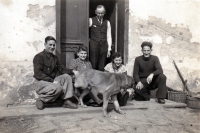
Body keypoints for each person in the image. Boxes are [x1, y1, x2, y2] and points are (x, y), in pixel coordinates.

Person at [33, 36, 78, 110]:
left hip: (51, 82)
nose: (52, 47)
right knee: (58, 88)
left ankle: (66, 100)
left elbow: (62, 69)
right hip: (40, 82)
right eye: (50, 45)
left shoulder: (55, 58)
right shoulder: (39, 57)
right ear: (45, 44)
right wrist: (52, 81)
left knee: (66, 76)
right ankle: (41, 99)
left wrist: (73, 71)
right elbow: (38, 73)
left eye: (54, 45)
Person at [89, 5, 112, 71]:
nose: (100, 15)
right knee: (94, 63)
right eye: (98, 13)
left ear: (104, 12)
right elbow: (84, 31)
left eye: (102, 13)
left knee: (102, 64)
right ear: (95, 12)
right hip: (94, 44)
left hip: (104, 45)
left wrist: (109, 49)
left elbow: (109, 36)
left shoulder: (107, 22)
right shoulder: (91, 20)